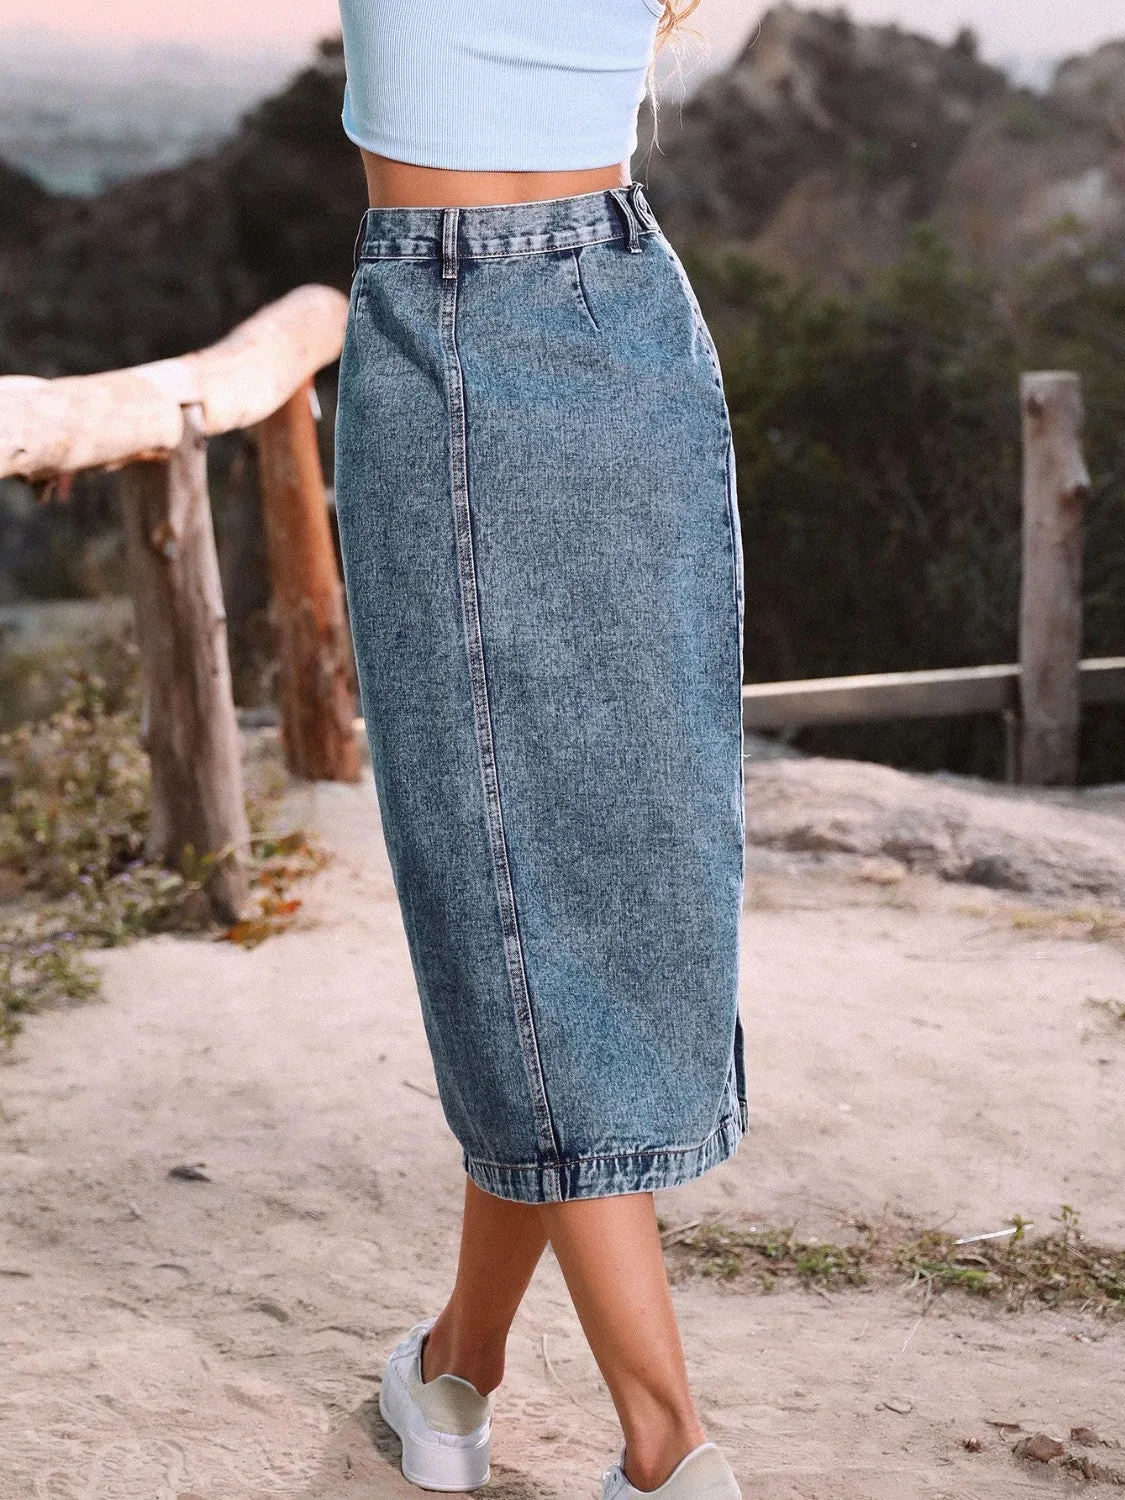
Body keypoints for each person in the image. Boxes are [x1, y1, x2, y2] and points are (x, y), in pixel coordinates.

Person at [332, 2, 746, 1495]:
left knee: (509, 895)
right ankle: (456, 1371)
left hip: (449, 328)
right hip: (630, 316)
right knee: (559, 891)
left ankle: (668, 1448)